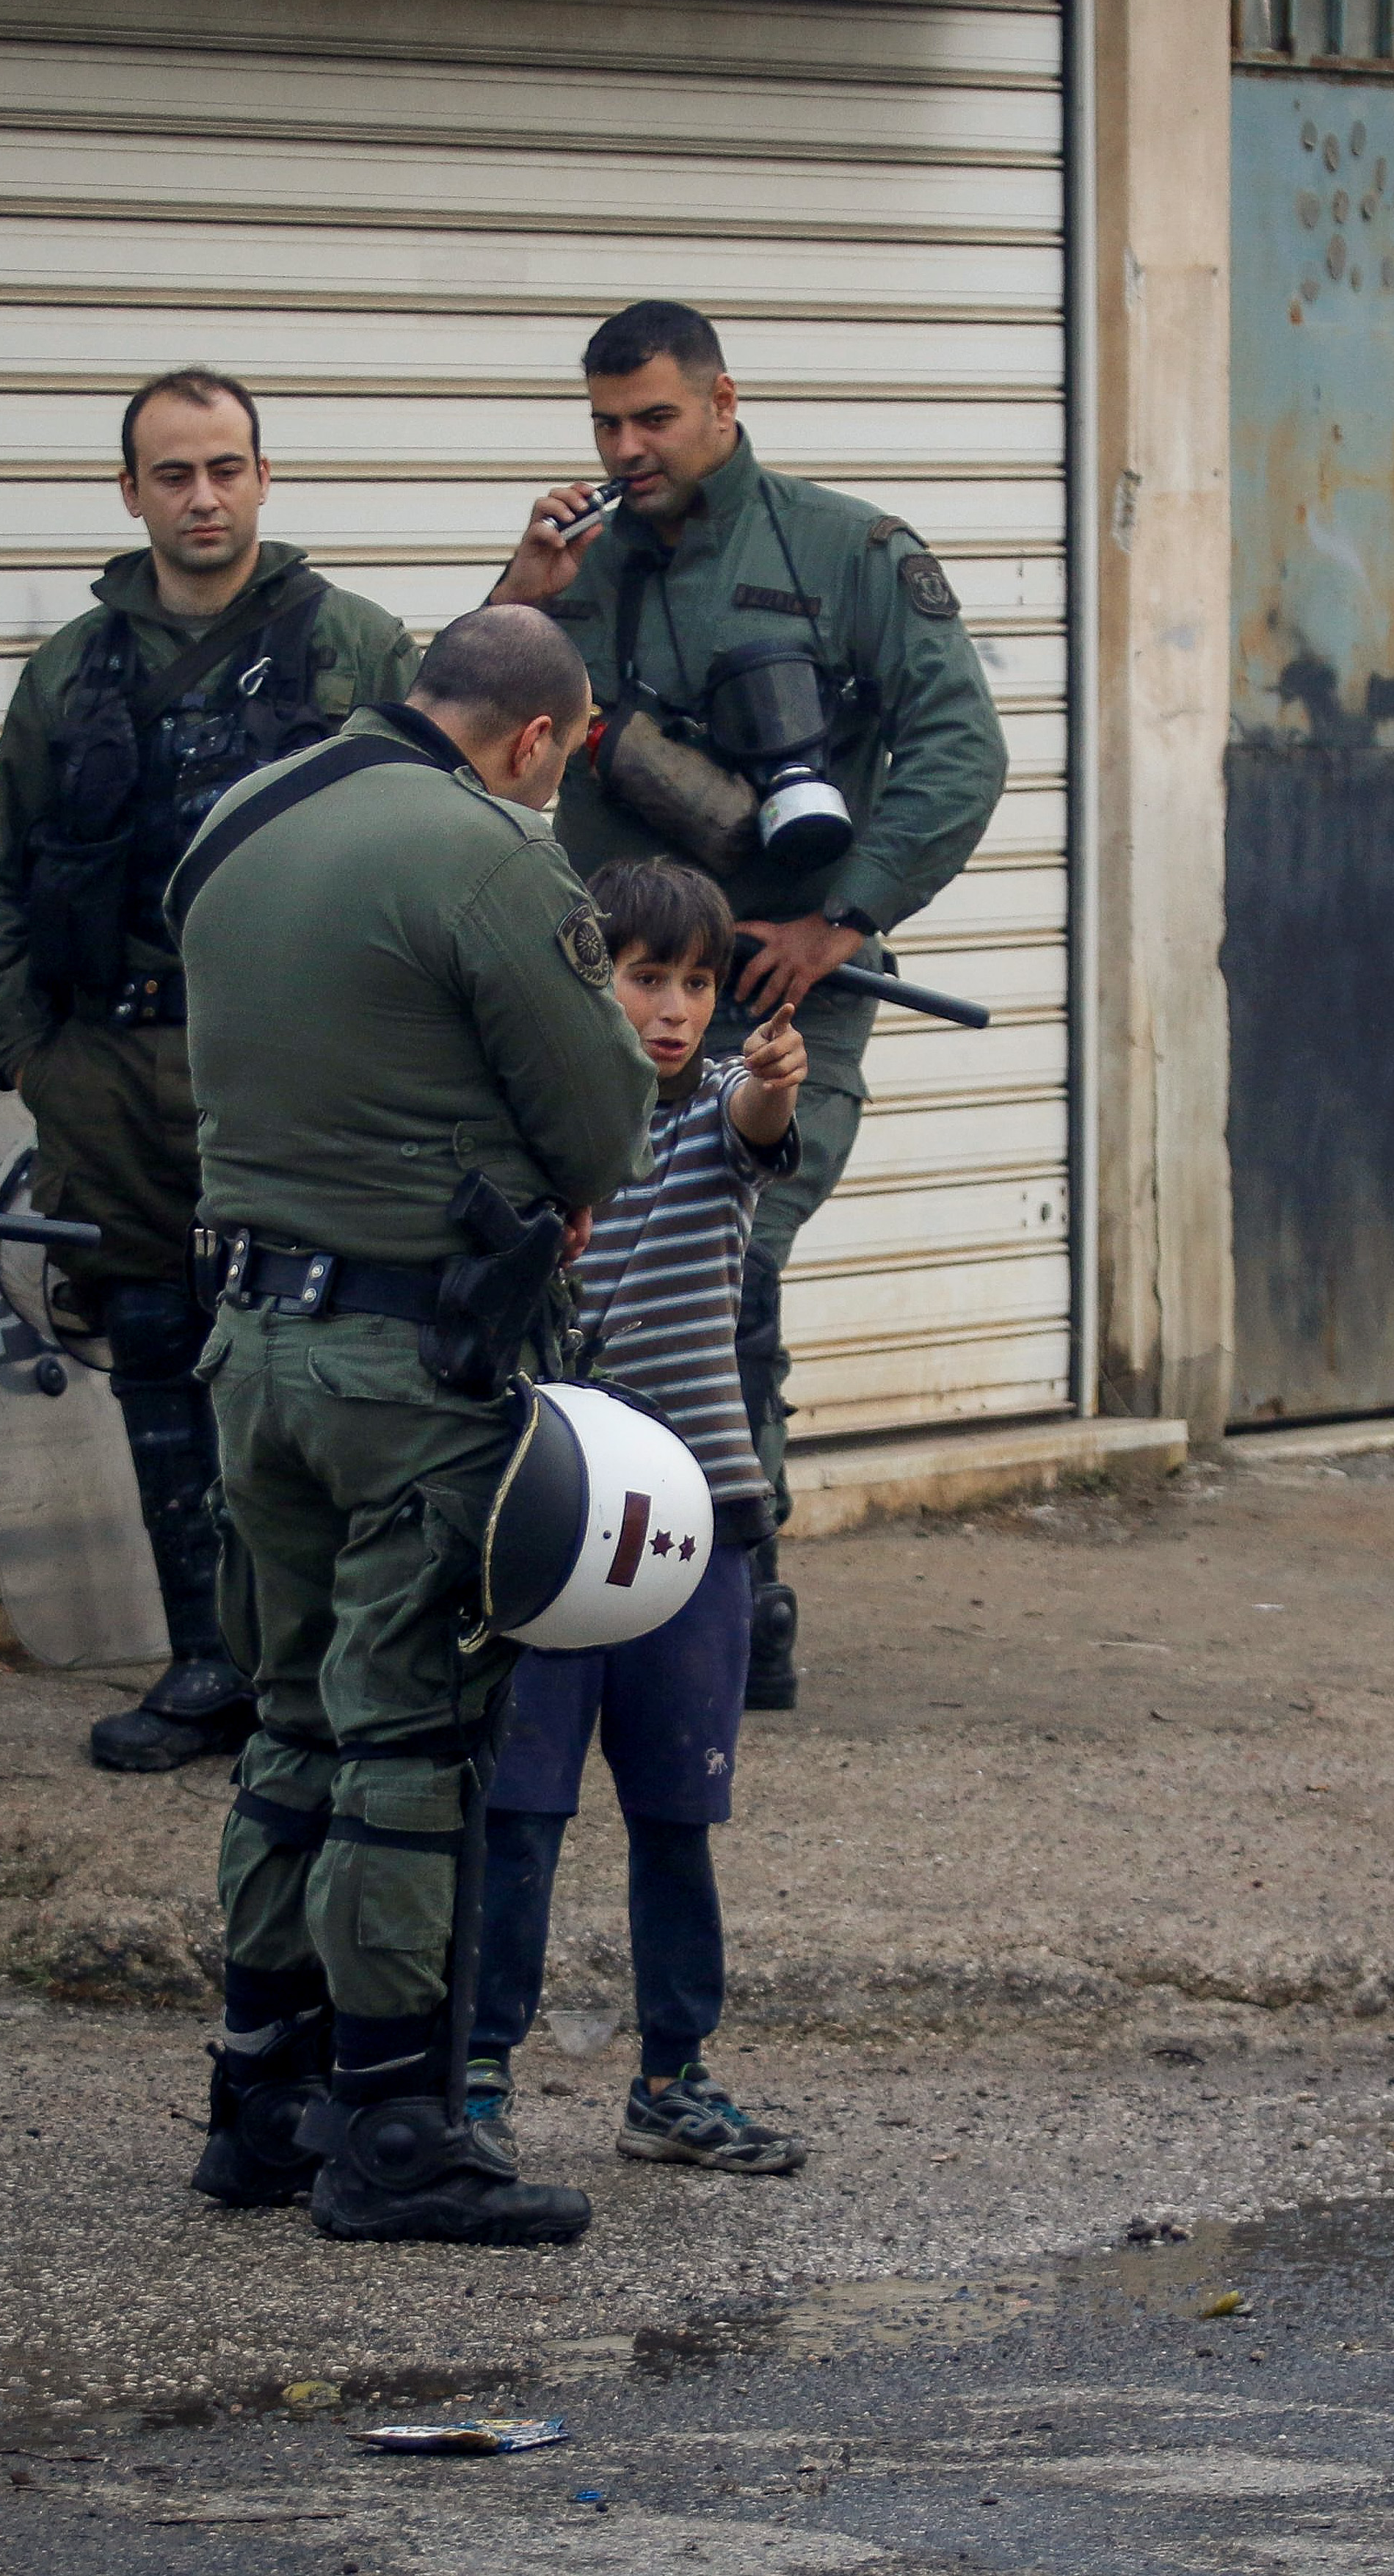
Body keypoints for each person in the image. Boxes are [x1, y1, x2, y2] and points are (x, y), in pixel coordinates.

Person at [171, 603, 656, 2245]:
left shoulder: (244, 815)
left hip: (250, 1351)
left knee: (292, 1723)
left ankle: (261, 2102)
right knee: (407, 1743)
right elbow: (599, 1124)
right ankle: (396, 2131)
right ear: (541, 741)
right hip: (410, 1373)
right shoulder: (493, 856)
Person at [491, 300, 1006, 1713]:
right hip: (601, 991)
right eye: (603, 423)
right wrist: (523, 587)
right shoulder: (574, 563)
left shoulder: (850, 552)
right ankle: (584, 1558)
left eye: (652, 417)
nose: (625, 447)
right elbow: (470, 724)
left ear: (724, 400)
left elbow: (961, 750)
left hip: (781, 982)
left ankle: (741, 1577)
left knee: (740, 1260)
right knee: (568, 1263)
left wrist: (843, 919)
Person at [0, 369, 421, 1774]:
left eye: (225, 467)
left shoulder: (356, 646)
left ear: (265, 475)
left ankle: (317, 1667)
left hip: (294, 1059)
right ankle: (201, 1662)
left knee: (308, 1357)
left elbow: (438, 837)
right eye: (173, 474)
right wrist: (26, 1052)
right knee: (160, 1362)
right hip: (109, 1056)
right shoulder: (68, 672)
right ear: (131, 493)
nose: (203, 497)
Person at [467, 855, 811, 2177]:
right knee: (522, 1810)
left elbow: (762, 1119)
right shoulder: (529, 1124)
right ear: (586, 978)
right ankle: (480, 2069)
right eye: (643, 977)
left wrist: (773, 1081)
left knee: (678, 1813)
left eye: (697, 983)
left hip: (702, 1524)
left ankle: (675, 2078)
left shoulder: (723, 1108)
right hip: (548, 1527)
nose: (672, 1008)